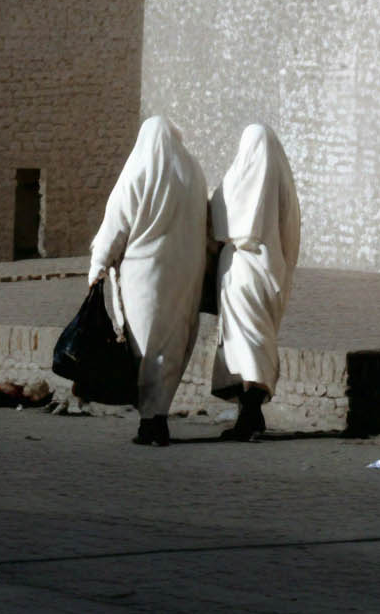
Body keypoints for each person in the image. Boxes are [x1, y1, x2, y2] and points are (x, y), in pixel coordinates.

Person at [88, 116, 208, 446]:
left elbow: (117, 220)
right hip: (184, 276)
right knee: (170, 346)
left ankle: (149, 422)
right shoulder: (193, 172)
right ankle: (159, 417)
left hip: (144, 277)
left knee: (144, 347)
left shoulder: (141, 167)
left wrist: (98, 263)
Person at [209, 123, 301, 440]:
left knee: (245, 340)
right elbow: (290, 233)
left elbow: (218, 217)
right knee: (257, 338)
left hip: (242, 269)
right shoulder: (283, 184)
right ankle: (252, 409)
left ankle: (249, 413)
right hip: (271, 268)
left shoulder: (238, 180)